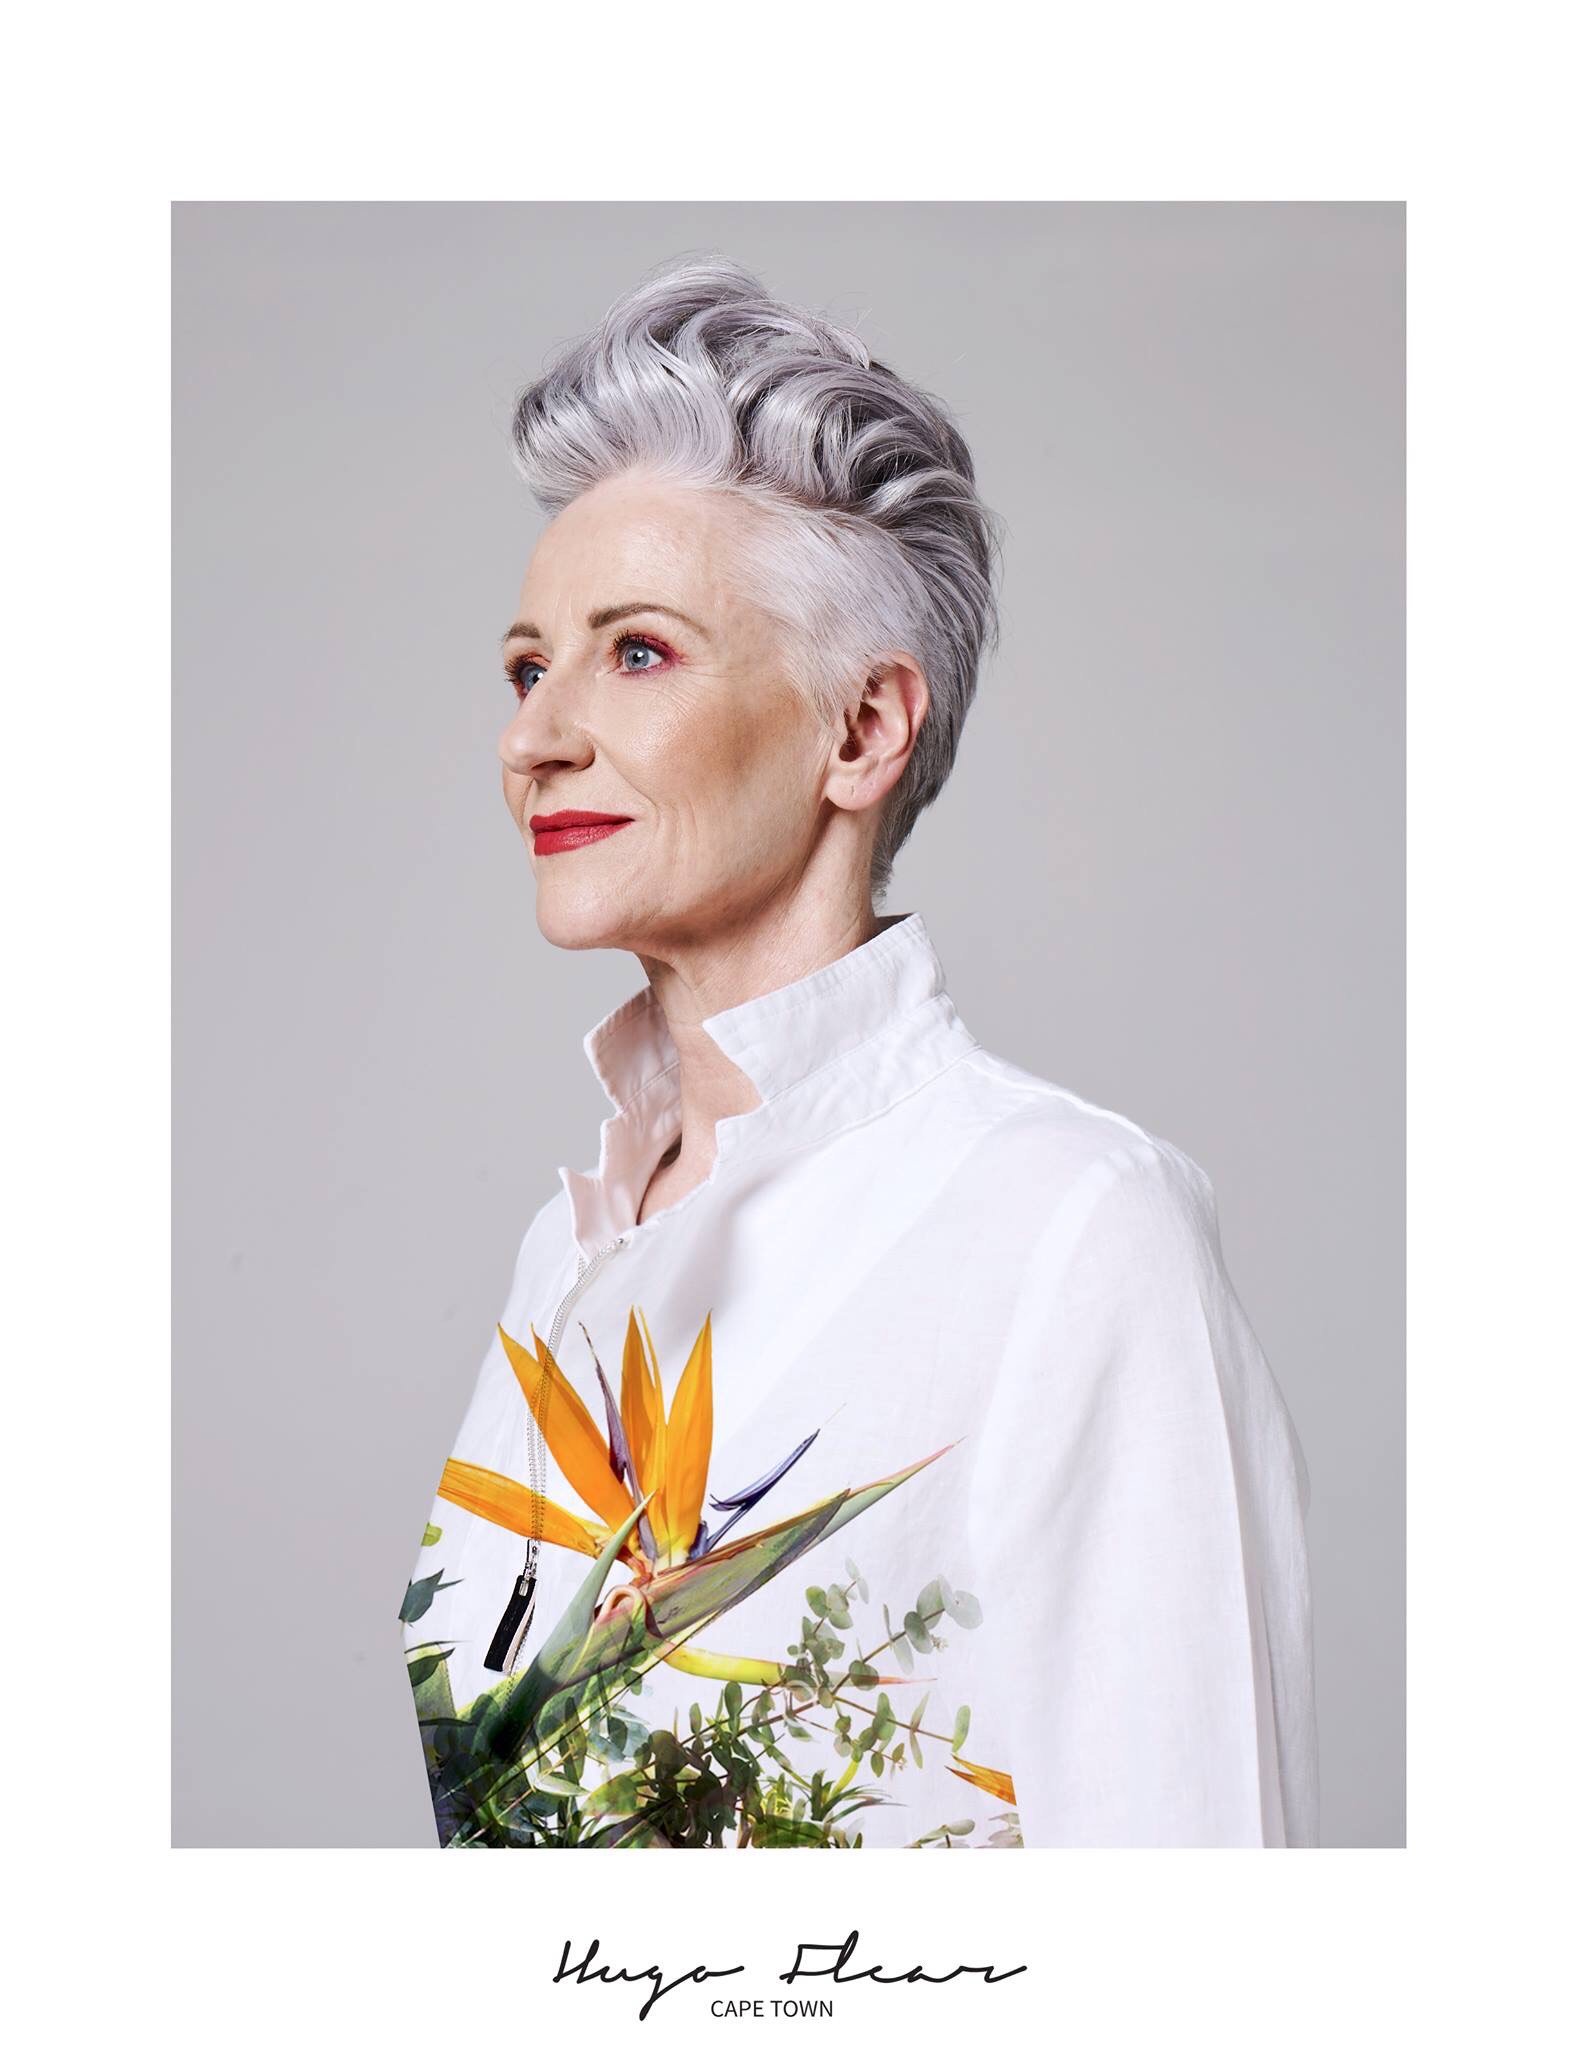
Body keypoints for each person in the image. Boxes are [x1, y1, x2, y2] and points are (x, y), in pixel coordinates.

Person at [398, 255, 1318, 1849]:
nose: (532, 736)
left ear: (863, 729)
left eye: (636, 652)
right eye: (528, 665)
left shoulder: (1071, 1231)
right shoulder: (572, 1247)